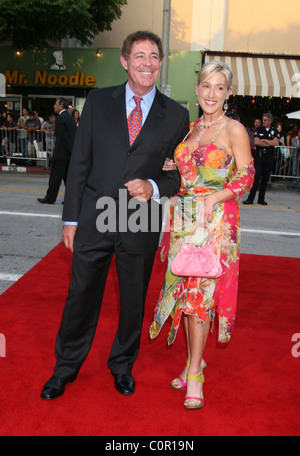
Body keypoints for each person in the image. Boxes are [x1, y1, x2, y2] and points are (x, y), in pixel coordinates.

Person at [40, 30, 189, 400]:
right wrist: (70, 219)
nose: (147, 63)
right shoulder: (97, 101)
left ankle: (122, 365)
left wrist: (153, 187)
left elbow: (179, 173)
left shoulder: (177, 115)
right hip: (94, 215)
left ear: (160, 63)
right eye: (140, 55)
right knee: (81, 295)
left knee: (133, 301)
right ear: (125, 61)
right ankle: (65, 368)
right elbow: (79, 163)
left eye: (154, 56)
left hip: (140, 219)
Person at [149, 61, 255, 410]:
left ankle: (195, 372)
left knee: (200, 298)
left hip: (214, 223)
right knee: (184, 294)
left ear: (228, 93)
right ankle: (194, 360)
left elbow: (246, 176)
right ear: (197, 90)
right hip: (183, 219)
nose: (211, 93)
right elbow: (190, 169)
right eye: (206, 86)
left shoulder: (233, 129)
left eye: (219, 87)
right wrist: (174, 167)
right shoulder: (190, 129)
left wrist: (215, 196)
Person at [37, 98, 77, 204]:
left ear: (61, 106)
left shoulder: (59, 118)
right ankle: (71, 199)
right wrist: (72, 151)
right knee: (68, 178)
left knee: (55, 177)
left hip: (61, 153)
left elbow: (63, 137)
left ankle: (50, 198)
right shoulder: (70, 118)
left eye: (55, 104)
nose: (54, 106)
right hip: (69, 154)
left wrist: (68, 150)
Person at [243, 113, 280, 205]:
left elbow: (276, 142)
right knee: (256, 177)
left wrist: (264, 140)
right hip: (260, 156)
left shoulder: (274, 131)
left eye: (265, 120)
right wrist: (269, 142)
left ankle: (261, 199)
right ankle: (250, 198)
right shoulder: (259, 129)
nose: (263, 121)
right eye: (263, 119)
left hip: (269, 156)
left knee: (265, 179)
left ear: (270, 121)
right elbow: (256, 142)